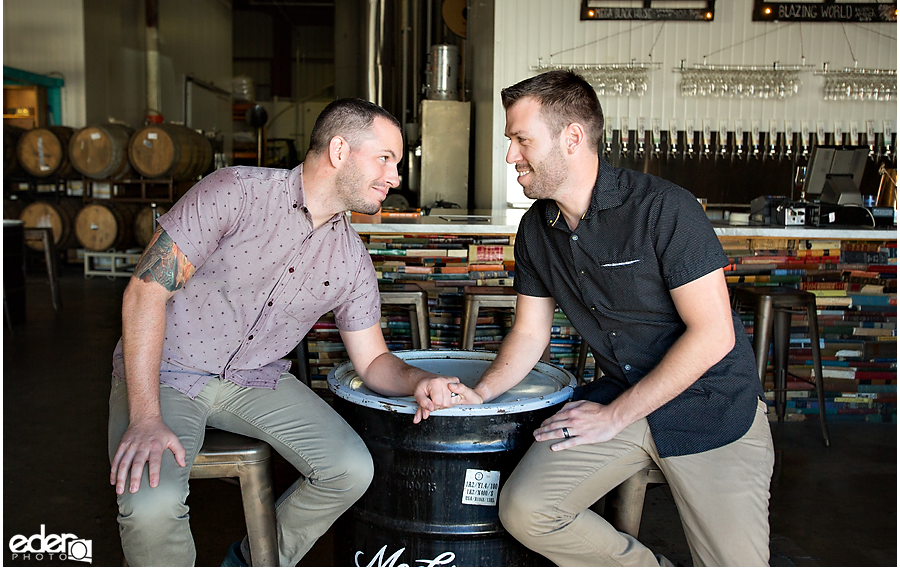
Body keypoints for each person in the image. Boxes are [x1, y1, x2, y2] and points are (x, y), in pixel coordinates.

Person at [441, 71, 775, 566]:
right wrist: (482, 393)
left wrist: (613, 417)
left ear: (572, 138)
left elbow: (713, 336)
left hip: (710, 405)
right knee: (527, 510)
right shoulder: (537, 229)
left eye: (520, 139)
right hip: (619, 394)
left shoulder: (664, 209)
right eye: (510, 140)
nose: (511, 155)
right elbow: (530, 333)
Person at [108, 98, 459, 566]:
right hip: (168, 371)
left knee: (350, 469)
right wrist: (146, 417)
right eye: (385, 159)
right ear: (339, 150)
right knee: (151, 505)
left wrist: (419, 381)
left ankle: (253, 561)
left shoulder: (351, 257)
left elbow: (373, 361)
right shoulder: (235, 191)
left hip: (254, 381)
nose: (395, 177)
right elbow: (144, 294)